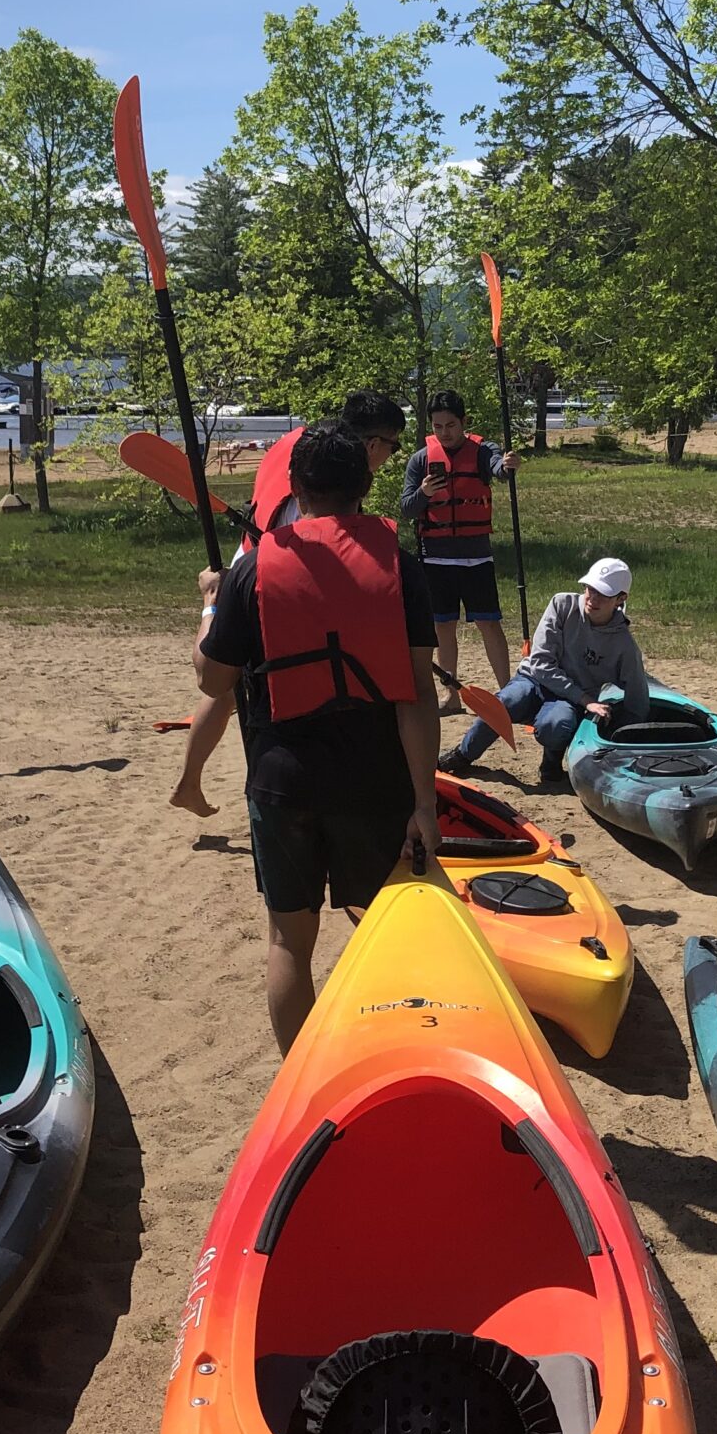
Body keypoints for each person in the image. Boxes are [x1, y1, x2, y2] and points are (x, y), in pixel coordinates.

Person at [195, 418, 441, 1050]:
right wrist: (423, 803)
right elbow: (416, 695)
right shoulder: (401, 566)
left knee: (287, 942)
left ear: (297, 490)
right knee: (380, 932)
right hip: (376, 782)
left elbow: (211, 680)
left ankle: (302, 1092)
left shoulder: (253, 573)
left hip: (285, 783)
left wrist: (209, 604)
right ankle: (384, 1061)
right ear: (365, 485)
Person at [170, 391, 406, 817]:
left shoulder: (298, 441)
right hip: (271, 578)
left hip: (253, 564)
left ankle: (189, 782)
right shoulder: (329, 478)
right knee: (260, 683)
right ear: (373, 444)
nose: (390, 456)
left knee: (228, 685)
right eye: (392, 446)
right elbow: (308, 548)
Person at [438, 558, 650, 787]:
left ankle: (550, 764)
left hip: (567, 699)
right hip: (534, 680)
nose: (593, 598)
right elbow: (540, 663)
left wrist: (634, 736)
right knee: (503, 703)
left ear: (621, 599)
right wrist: (585, 699)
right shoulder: (561, 605)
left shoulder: (624, 644)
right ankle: (462, 755)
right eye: (590, 589)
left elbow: (637, 695)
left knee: (556, 725)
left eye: (603, 594)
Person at [400, 390, 514, 714]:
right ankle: (451, 696)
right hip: (435, 559)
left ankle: (509, 694)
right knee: (442, 627)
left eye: (451, 425)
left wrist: (507, 467)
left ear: (463, 422)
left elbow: (497, 469)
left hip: (476, 557)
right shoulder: (421, 460)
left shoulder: (481, 452)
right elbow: (407, 508)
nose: (444, 432)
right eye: (438, 426)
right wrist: (423, 492)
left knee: (489, 624)